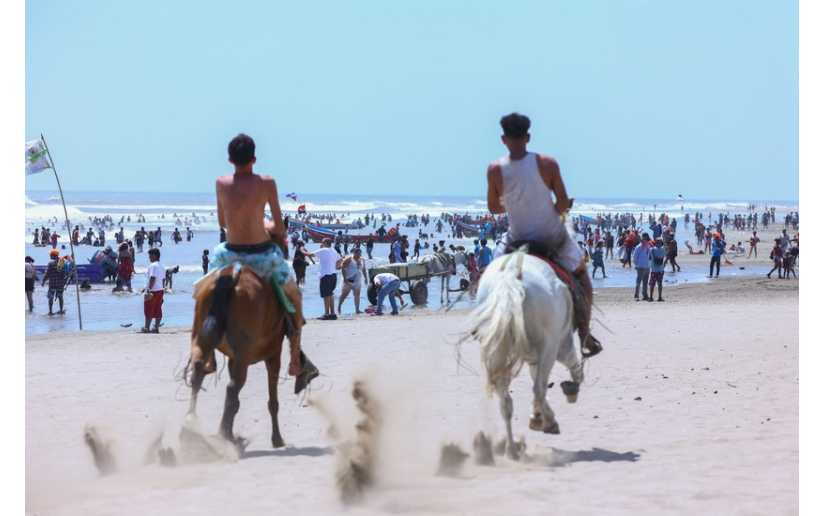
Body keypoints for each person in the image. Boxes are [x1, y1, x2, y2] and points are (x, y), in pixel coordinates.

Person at [485, 113, 601, 357]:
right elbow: (561, 205)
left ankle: (485, 322)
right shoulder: (548, 164)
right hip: (551, 237)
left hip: (515, 238)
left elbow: (493, 208)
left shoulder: (495, 170)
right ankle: (584, 334)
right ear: (528, 136)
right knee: (581, 275)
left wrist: (515, 203)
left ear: (503, 139)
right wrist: (553, 205)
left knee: (490, 275)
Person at [209, 133, 318, 389]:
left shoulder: (221, 183)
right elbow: (279, 226)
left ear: (229, 159)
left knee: (204, 290)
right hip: (261, 254)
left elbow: (222, 223)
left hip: (229, 253)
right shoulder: (267, 182)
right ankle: (295, 360)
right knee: (293, 296)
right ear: (254, 158)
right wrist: (265, 224)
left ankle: (203, 350)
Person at [309, 238, 341, 320]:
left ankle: (326, 314)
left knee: (326, 295)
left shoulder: (323, 250)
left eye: (322, 242)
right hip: (333, 275)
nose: (321, 243)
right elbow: (340, 260)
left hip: (326, 275)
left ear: (326, 243)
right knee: (330, 294)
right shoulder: (333, 251)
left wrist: (302, 250)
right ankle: (332, 313)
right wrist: (336, 267)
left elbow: (310, 254)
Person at [338, 248, 368, 314]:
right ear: (354, 253)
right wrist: (345, 279)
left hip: (357, 279)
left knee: (357, 294)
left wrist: (366, 278)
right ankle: (339, 307)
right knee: (344, 295)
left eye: (360, 253)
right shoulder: (349, 259)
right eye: (357, 253)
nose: (359, 255)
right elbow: (343, 268)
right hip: (348, 279)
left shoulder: (362, 260)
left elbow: (364, 269)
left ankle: (357, 310)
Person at [141, 248, 165, 333]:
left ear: (155, 255)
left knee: (148, 308)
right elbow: (162, 280)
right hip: (160, 290)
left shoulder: (153, 265)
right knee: (158, 309)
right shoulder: (161, 266)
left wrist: (148, 289)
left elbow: (152, 278)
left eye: (150, 255)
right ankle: (156, 328)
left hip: (153, 290)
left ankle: (146, 327)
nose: (149, 257)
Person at [41, 249, 66, 315]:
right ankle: (61, 310)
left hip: (52, 284)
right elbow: (64, 273)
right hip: (60, 284)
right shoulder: (62, 262)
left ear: (53, 255)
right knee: (60, 297)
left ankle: (50, 311)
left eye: (50, 255)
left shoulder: (51, 263)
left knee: (50, 298)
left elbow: (47, 274)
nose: (50, 256)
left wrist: (43, 281)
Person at [632, 233, 652, 301]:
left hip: (647, 266)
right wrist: (636, 265)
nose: (645, 240)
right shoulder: (638, 247)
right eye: (644, 238)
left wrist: (650, 265)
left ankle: (645, 295)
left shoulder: (648, 246)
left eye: (646, 239)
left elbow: (649, 257)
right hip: (640, 267)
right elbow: (635, 257)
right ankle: (636, 295)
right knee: (638, 281)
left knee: (645, 282)